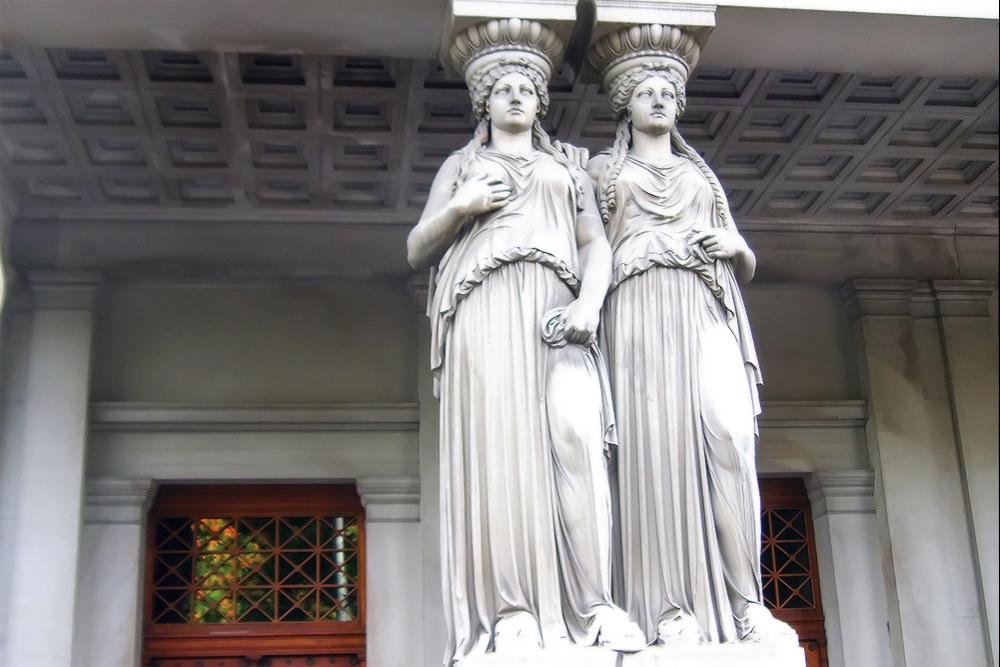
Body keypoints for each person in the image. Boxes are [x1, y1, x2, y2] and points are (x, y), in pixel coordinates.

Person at [407, 18, 643, 663]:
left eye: (526, 89)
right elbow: (417, 246)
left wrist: (590, 302)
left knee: (577, 445)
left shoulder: (566, 167)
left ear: (541, 102)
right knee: (502, 453)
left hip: (558, 312)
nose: (515, 96)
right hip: (484, 309)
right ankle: (512, 611)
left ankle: (594, 604)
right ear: (483, 102)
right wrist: (461, 206)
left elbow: (596, 243)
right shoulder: (463, 166)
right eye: (503, 89)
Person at [587, 25, 798, 646]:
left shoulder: (700, 176)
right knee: (656, 451)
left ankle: (746, 602)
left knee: (730, 437)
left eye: (668, 92)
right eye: (645, 91)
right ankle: (667, 606)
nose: (658, 100)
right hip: (637, 311)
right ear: (625, 102)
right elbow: (586, 250)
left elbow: (743, 258)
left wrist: (735, 245)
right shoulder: (602, 171)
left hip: (705, 307)